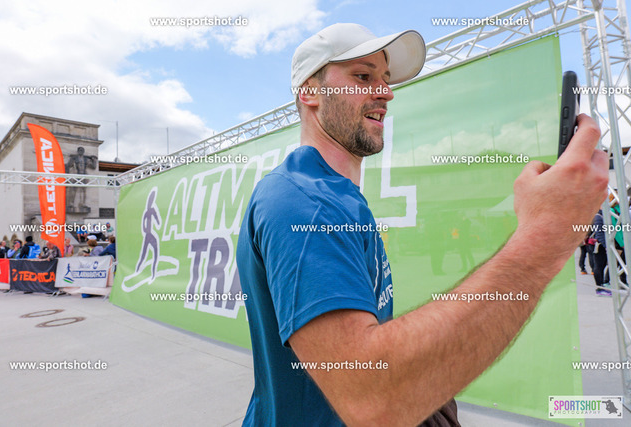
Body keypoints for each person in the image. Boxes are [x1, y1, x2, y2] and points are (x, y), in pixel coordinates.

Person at [236, 23, 609, 426]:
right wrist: (543, 237)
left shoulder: (337, 197)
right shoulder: (303, 201)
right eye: (363, 76)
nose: (385, 92)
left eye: (385, 78)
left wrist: (421, 388)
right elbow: (371, 397)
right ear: (310, 91)